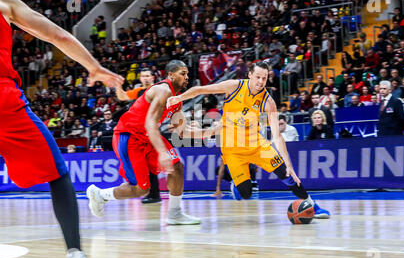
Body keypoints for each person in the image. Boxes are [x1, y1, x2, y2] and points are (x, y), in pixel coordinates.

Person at [0, 0, 124, 258]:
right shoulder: (4, 2)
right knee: (58, 175)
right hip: (3, 102)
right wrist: (93, 66)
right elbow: (58, 35)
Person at [167, 61, 330, 219]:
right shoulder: (235, 86)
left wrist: (288, 164)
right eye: (258, 77)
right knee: (246, 193)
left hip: (257, 146)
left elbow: (277, 136)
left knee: (287, 175)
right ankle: (236, 185)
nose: (260, 82)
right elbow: (200, 89)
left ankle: (311, 205)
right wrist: (178, 98)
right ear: (250, 75)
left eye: (264, 78)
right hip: (233, 151)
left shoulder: (268, 102)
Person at [86, 60, 204, 225]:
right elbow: (150, 123)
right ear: (171, 75)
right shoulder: (163, 90)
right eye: (182, 74)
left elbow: (182, 130)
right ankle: (100, 195)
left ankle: (175, 213)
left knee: (177, 167)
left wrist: (212, 131)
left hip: (148, 136)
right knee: (142, 189)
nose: (186, 77)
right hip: (129, 137)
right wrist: (162, 152)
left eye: (187, 74)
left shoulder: (176, 98)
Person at [115, 68, 161, 204]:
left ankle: (154, 194)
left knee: (152, 165)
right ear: (140, 79)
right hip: (139, 133)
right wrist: (118, 85)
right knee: (146, 165)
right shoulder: (139, 91)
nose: (146, 78)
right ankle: (152, 193)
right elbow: (122, 96)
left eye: (148, 76)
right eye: (143, 76)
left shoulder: (158, 90)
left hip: (150, 131)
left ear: (153, 77)